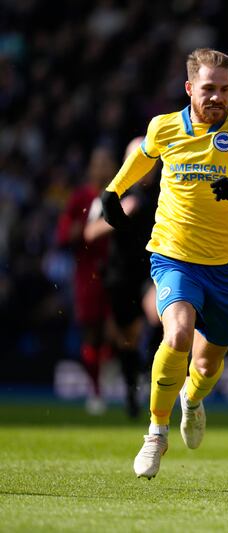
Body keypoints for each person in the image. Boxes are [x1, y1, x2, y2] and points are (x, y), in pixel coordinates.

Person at [101, 48, 228, 479]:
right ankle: (155, 434)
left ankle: (193, 399)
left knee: (206, 364)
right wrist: (112, 190)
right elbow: (144, 156)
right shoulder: (164, 127)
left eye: (225, 89)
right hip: (174, 257)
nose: (218, 97)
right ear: (190, 89)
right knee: (179, 333)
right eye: (209, 89)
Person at [84, 136, 160, 419]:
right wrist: (119, 214)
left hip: (153, 270)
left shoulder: (167, 191)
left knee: (160, 314)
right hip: (120, 274)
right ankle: (132, 388)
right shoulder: (114, 192)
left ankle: (151, 369)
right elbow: (89, 233)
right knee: (126, 339)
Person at [55, 146, 115, 415]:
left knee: (118, 331)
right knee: (92, 332)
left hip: (116, 272)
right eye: (98, 162)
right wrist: (75, 232)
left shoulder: (121, 195)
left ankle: (115, 377)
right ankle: (96, 389)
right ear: (91, 167)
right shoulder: (81, 197)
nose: (102, 168)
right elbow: (63, 236)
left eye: (106, 163)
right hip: (88, 274)